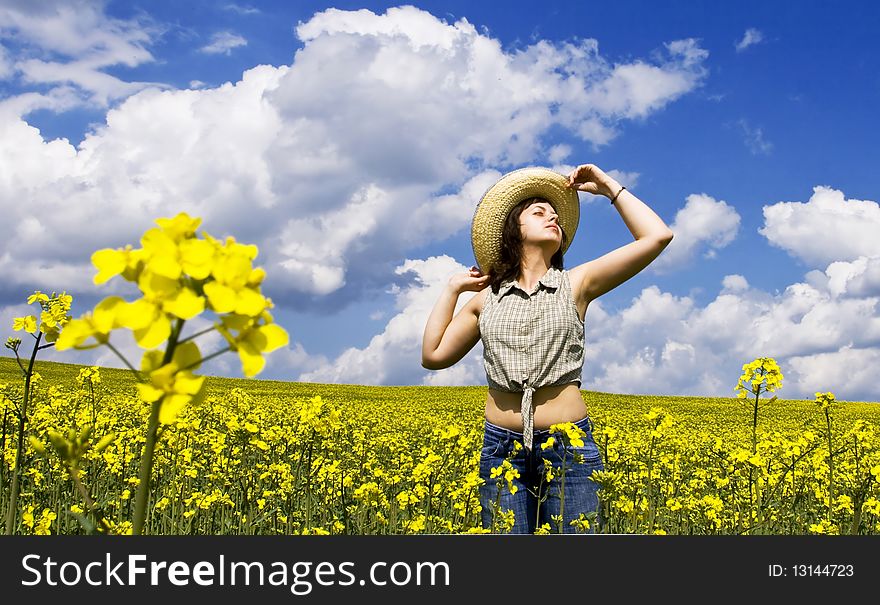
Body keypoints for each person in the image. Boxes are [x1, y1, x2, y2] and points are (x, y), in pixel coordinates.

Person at [421, 164, 673, 533]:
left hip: (569, 444)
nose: (553, 218)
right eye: (539, 213)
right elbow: (434, 356)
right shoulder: (485, 300)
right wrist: (452, 290)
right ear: (514, 229)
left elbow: (657, 236)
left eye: (556, 215)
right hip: (501, 446)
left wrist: (607, 187)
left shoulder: (578, 283)